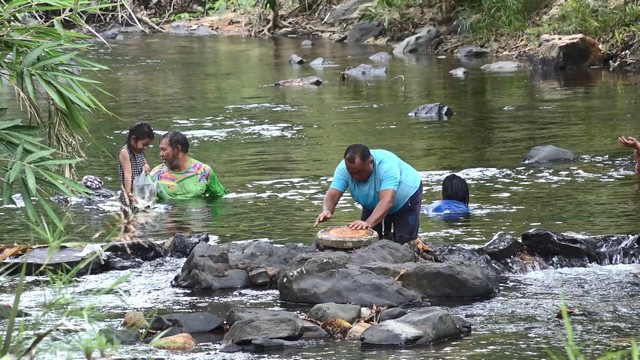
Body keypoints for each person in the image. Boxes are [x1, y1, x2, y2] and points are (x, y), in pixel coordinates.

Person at [314, 144, 423, 245]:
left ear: (371, 162)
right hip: (372, 204)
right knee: (368, 242)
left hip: (405, 200)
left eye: (359, 171)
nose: (355, 176)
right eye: (351, 173)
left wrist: (369, 223)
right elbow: (331, 195)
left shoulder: (387, 165)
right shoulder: (343, 169)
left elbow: (387, 201)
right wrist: (327, 210)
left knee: (404, 243)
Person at [150, 131, 227, 199]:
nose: (161, 154)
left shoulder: (204, 172)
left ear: (177, 148)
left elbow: (220, 198)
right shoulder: (156, 175)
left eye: (164, 150)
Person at [118, 122, 154, 210]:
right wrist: (128, 193)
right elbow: (127, 174)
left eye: (147, 145)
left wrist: (146, 166)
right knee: (131, 218)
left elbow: (144, 162)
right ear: (133, 139)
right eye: (144, 144)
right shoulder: (125, 152)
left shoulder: (139, 151)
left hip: (140, 192)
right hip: (130, 194)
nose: (145, 148)